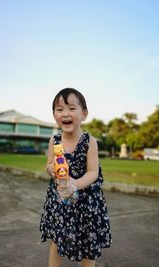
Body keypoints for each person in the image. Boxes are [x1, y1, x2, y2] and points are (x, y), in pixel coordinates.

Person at [40, 88, 112, 267]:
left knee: (88, 243)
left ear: (84, 114)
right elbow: (49, 164)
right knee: (56, 239)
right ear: (54, 114)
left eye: (72, 108)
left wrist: (76, 184)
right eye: (59, 109)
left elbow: (93, 172)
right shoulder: (54, 141)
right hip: (60, 200)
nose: (65, 113)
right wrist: (51, 169)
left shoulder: (90, 141)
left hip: (86, 202)